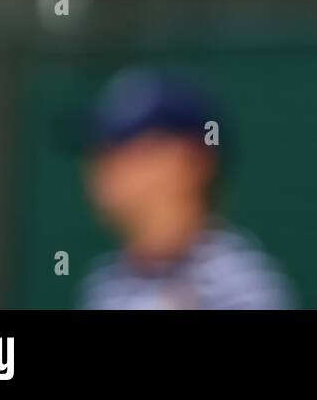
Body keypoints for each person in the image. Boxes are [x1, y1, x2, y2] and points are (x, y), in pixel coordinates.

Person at [76, 68, 296, 310]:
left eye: (129, 145)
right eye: (101, 148)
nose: (106, 163)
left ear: (192, 159)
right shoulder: (102, 283)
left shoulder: (242, 282)